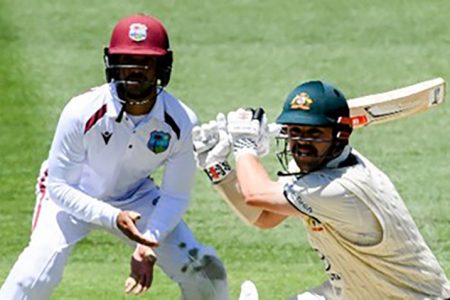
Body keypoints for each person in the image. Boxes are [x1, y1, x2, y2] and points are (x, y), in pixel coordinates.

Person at [0, 14, 229, 299]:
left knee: (207, 275)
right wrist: (111, 217)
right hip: (72, 194)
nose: (135, 70)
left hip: (135, 196)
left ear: (162, 66)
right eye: (126, 60)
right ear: (112, 65)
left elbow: (176, 196)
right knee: (31, 278)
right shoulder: (80, 111)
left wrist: (150, 242)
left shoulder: (181, 121)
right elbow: (58, 187)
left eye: (145, 62)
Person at [192, 80, 450, 299]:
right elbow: (264, 217)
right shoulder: (313, 170)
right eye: (295, 131)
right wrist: (217, 169)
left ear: (341, 135)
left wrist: (245, 146)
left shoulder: (341, 188)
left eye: (314, 132)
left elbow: (256, 195)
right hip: (356, 289)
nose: (302, 143)